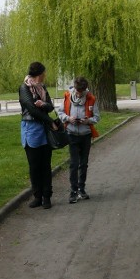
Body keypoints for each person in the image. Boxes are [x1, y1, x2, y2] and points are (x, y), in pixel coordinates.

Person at [18, 62, 58, 209]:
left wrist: (43, 105)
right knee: (34, 165)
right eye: (44, 73)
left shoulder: (42, 87)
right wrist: (49, 120)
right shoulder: (24, 88)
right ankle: (37, 196)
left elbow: (50, 106)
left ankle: (47, 196)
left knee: (46, 165)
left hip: (44, 129)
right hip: (31, 129)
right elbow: (31, 109)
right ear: (40, 74)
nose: (45, 75)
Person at [59, 76, 100, 204]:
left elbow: (97, 117)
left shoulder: (91, 99)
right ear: (74, 88)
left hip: (85, 135)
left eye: (81, 92)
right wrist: (68, 118)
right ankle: (73, 191)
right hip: (71, 134)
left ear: (85, 90)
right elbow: (60, 113)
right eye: (77, 91)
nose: (78, 93)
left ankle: (82, 189)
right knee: (73, 163)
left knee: (83, 163)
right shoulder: (67, 97)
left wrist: (88, 121)